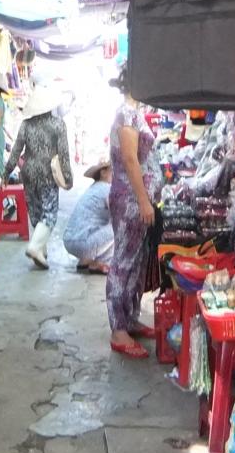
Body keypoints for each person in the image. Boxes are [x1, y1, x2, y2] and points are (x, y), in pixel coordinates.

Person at [106, 67, 161, 359]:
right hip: (130, 200)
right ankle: (119, 329)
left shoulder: (133, 113)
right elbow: (129, 159)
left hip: (135, 200)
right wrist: (142, 200)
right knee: (124, 262)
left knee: (136, 262)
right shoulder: (126, 114)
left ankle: (129, 318)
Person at [3, 86, 73, 269]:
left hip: (28, 171)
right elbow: (64, 154)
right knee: (49, 213)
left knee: (36, 212)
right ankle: (35, 247)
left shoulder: (26, 125)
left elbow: (16, 150)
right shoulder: (58, 125)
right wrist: (68, 177)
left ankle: (41, 251)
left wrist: (6, 172)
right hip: (48, 173)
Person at [62, 161, 113, 273]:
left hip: (69, 241)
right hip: (83, 243)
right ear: (103, 173)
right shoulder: (107, 189)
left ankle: (85, 261)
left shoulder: (93, 188)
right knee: (119, 226)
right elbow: (117, 214)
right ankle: (103, 263)